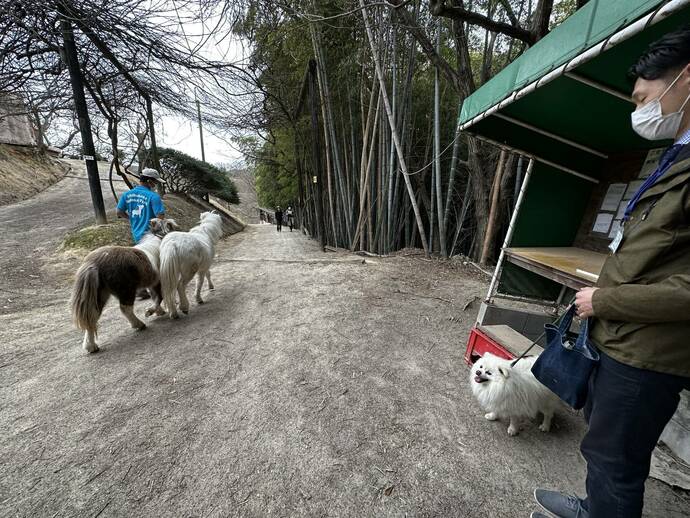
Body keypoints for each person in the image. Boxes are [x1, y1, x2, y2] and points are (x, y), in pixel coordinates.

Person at [532, 27, 690, 518]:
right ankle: (592, 508)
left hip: (647, 352)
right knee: (602, 448)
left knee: (615, 460)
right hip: (623, 338)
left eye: (645, 97)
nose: (639, 110)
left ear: (685, 77)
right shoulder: (679, 153)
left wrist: (606, 301)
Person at [116, 168, 166, 243]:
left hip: (136, 235)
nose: (156, 184)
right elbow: (160, 216)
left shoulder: (126, 195)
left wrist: (130, 218)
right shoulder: (154, 196)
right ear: (149, 181)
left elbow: (119, 212)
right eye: (155, 181)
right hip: (151, 237)